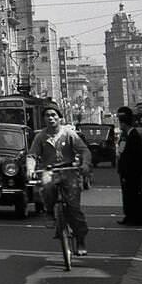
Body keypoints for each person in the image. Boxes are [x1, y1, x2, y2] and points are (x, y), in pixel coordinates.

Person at [29, 105, 92, 256]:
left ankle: (80, 239)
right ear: (43, 119)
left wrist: (85, 164)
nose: (51, 118)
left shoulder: (69, 134)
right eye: (47, 116)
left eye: (53, 115)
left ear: (59, 117)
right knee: (46, 186)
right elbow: (32, 155)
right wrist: (30, 169)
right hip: (49, 170)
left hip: (68, 170)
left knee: (74, 209)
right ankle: (49, 212)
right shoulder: (40, 137)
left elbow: (84, 150)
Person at [115, 106, 142, 227]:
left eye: (120, 122)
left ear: (124, 123)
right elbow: (121, 151)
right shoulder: (125, 135)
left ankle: (137, 218)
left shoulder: (134, 136)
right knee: (127, 194)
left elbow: (137, 156)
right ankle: (129, 216)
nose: (119, 125)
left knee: (135, 194)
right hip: (125, 171)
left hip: (132, 171)